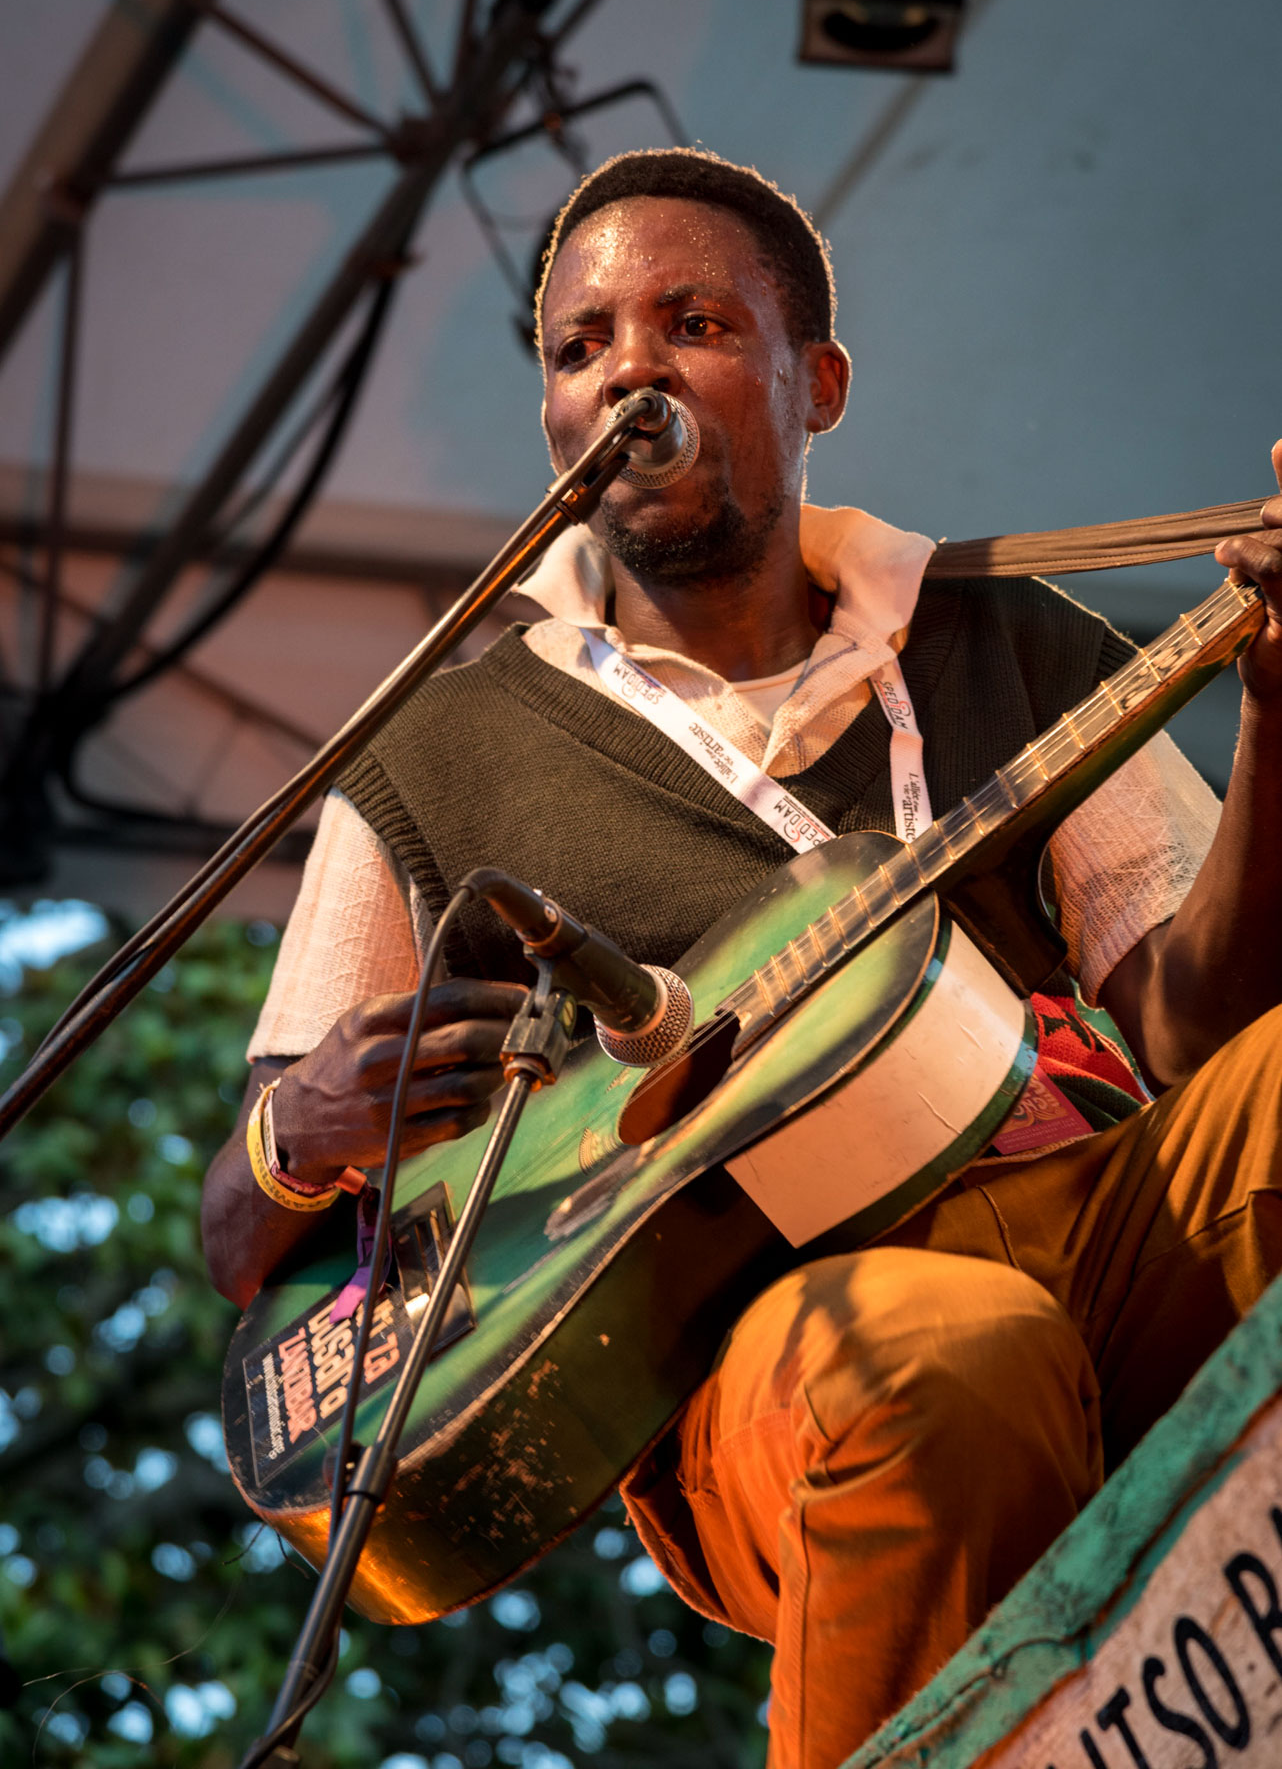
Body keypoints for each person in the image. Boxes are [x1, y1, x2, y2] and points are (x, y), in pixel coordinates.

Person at [202, 149, 1282, 1769]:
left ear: (814, 383)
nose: (626, 370)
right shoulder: (428, 757)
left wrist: (1275, 701)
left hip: (1103, 1226)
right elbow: (241, 1242)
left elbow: (1205, 1033)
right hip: (772, 1352)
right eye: (579, 347)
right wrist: (302, 1133)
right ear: (554, 418)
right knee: (947, 1358)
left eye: (691, 323)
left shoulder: (1011, 638)